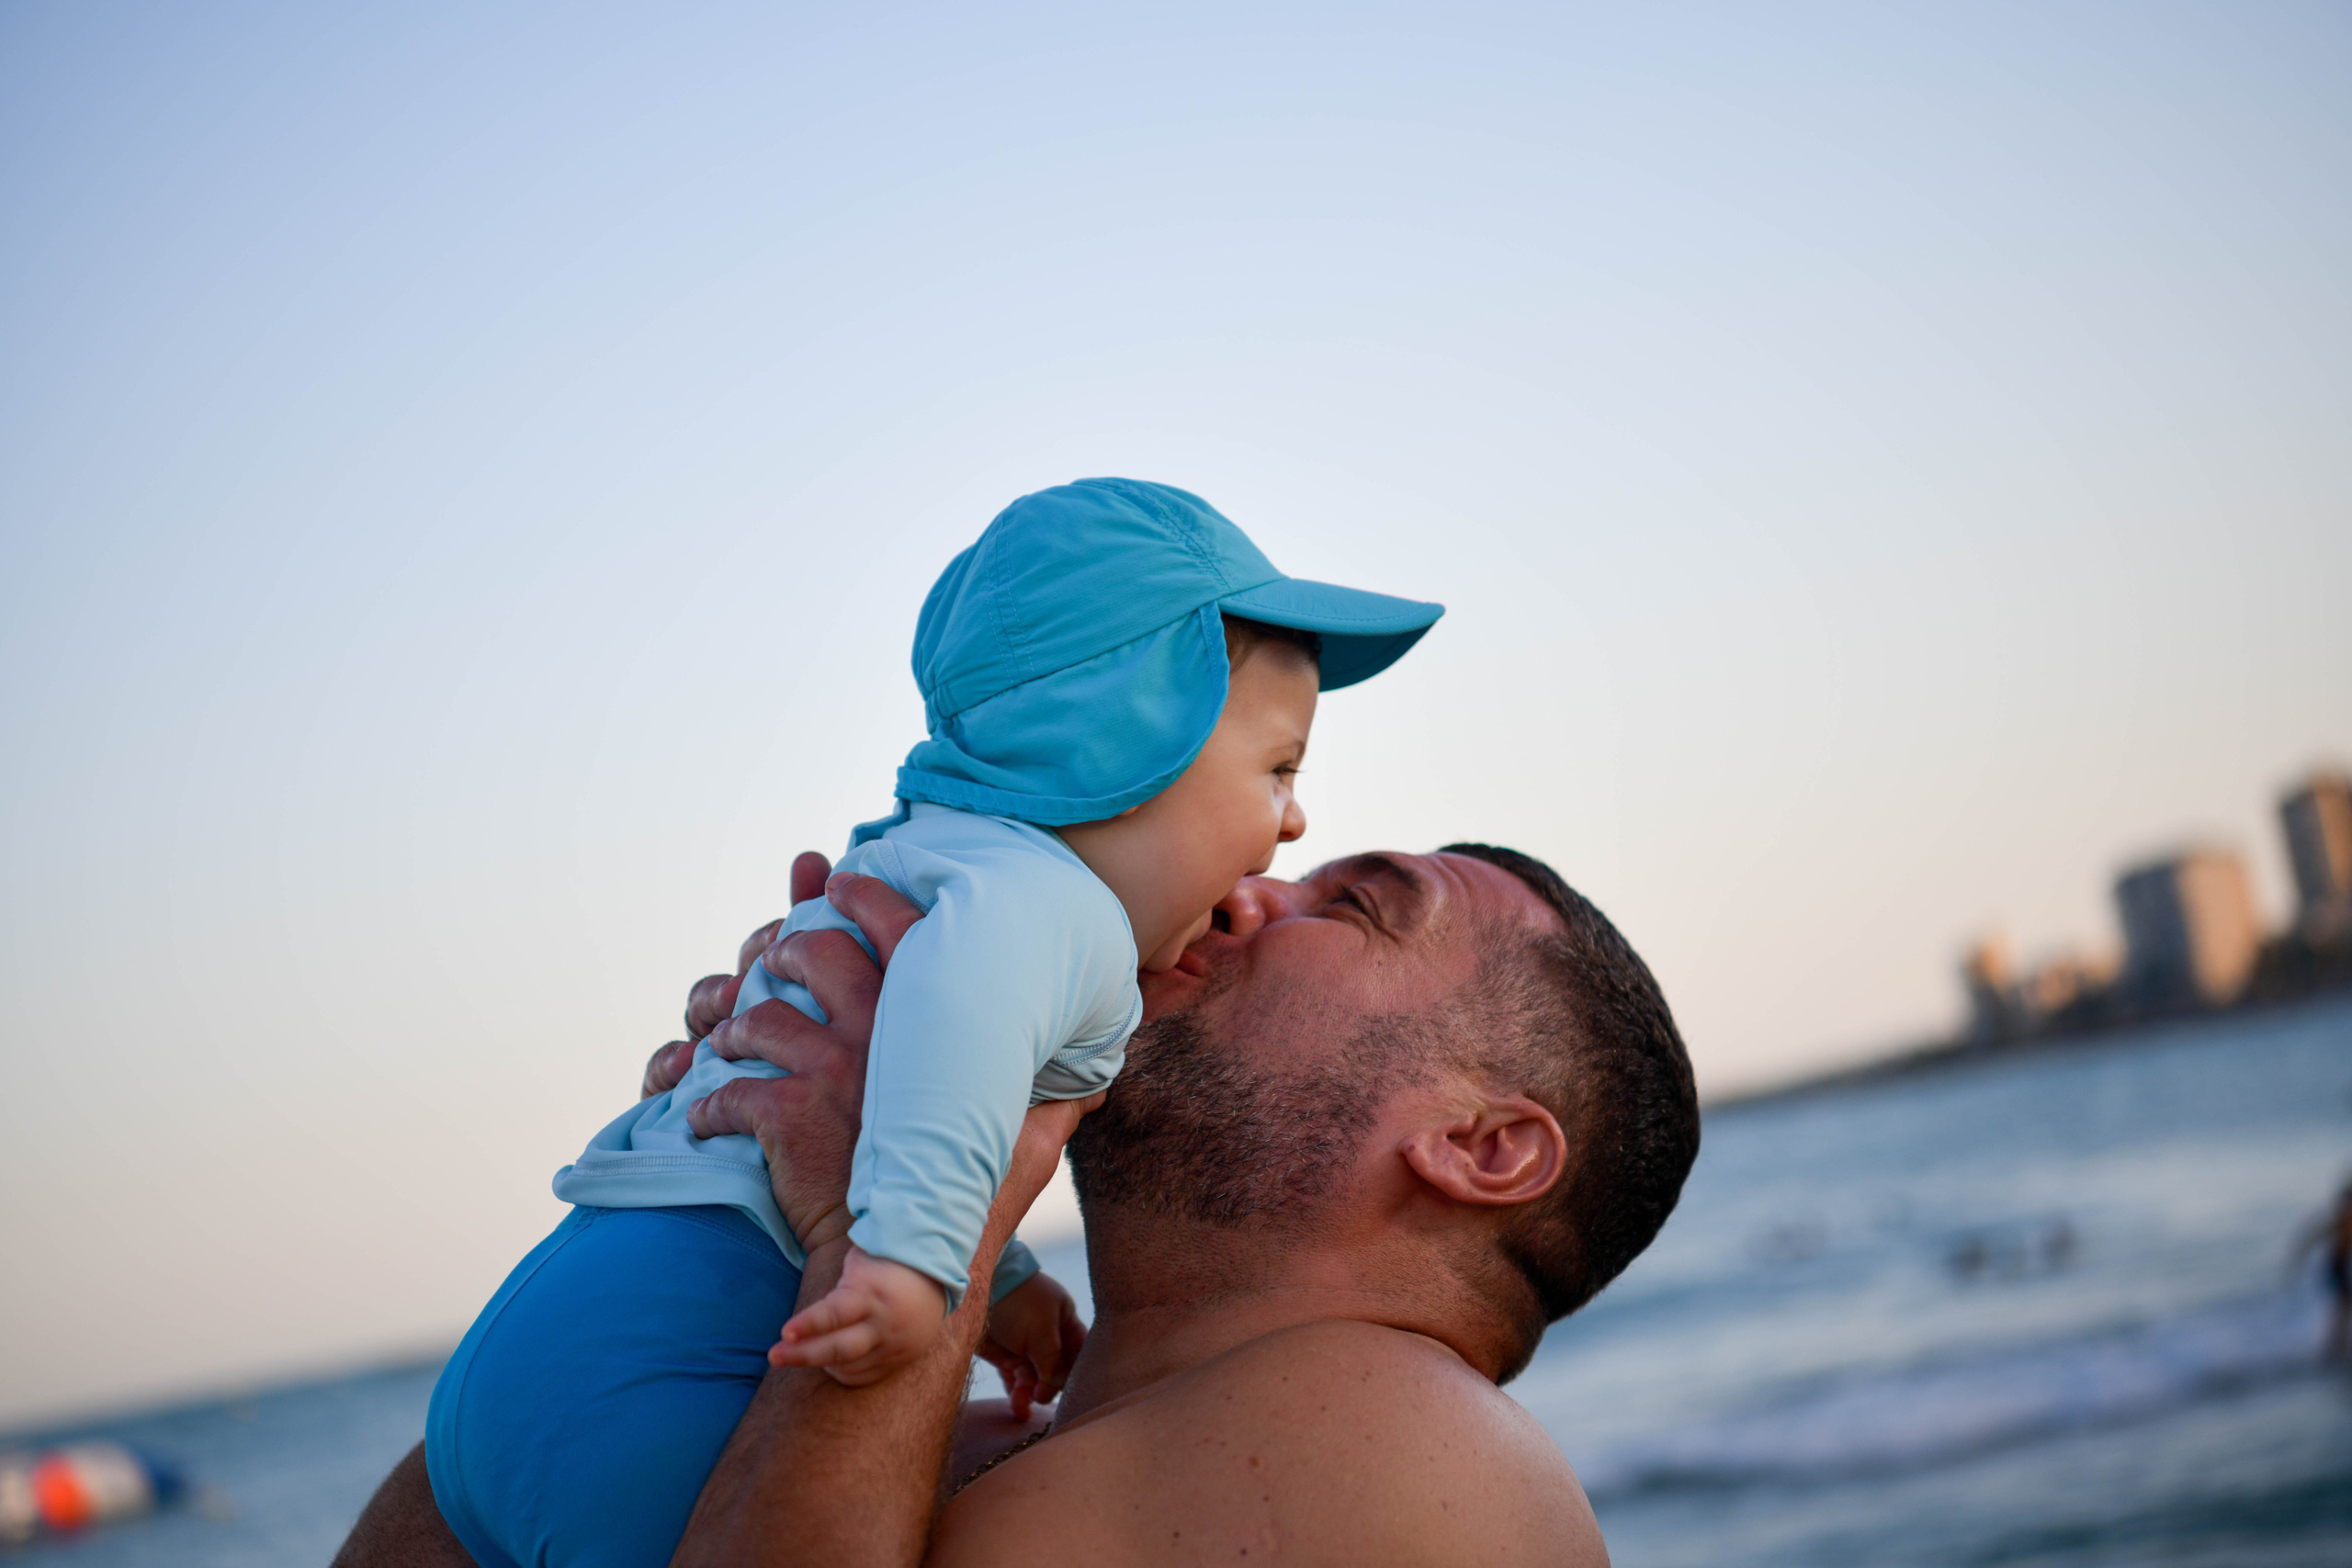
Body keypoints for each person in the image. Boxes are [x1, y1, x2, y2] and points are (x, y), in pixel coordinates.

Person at [423, 478, 1445, 1568]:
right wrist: (916, 1267)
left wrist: (998, 1289)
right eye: (1279, 768)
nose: (1293, 820)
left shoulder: (932, 859)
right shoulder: (1057, 911)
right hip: (671, 1365)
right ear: (1129, 741)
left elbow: (932, 1088)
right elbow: (951, 1047)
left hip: (560, 1338)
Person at [339, 837, 1699, 1566]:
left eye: (1352, 905)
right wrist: (702, 1216)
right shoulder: (973, 1444)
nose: (1234, 888)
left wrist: (910, 1215)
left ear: (1484, 1145)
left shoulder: (1423, 1455)